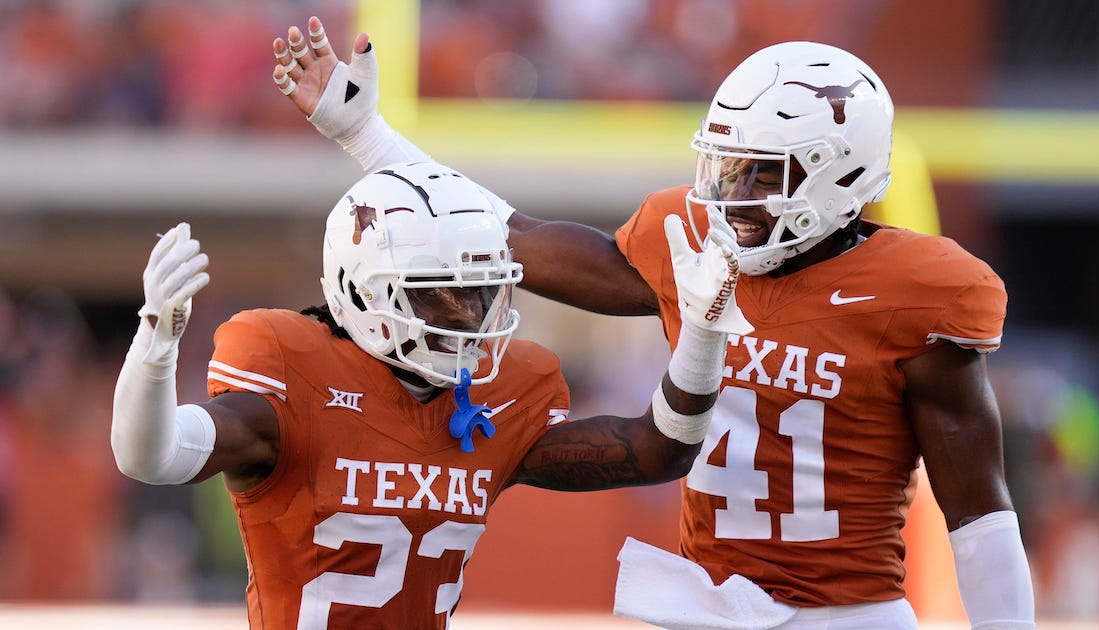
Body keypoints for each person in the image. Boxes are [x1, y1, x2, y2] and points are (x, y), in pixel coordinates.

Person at [272, 16, 1036, 629]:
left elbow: (979, 511)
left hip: (849, 614)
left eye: (762, 175)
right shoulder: (693, 242)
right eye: (726, 168)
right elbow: (508, 237)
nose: (731, 196)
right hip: (705, 603)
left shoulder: (916, 291)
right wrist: (367, 138)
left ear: (841, 172)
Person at [110, 160, 752, 629]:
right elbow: (153, 456)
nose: (469, 315)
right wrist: (154, 349)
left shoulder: (499, 399)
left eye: (480, 291)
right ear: (363, 291)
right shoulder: (294, 376)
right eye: (438, 293)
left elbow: (660, 451)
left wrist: (699, 335)